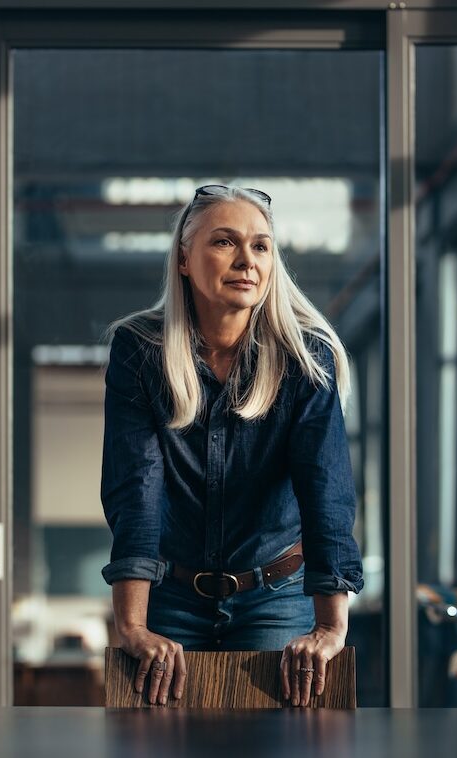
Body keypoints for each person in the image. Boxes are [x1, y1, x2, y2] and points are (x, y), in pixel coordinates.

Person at [100, 184, 364, 708]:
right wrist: (131, 624)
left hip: (275, 598)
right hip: (172, 597)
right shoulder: (140, 351)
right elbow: (138, 488)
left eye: (261, 246)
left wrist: (331, 627)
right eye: (225, 242)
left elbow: (325, 490)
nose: (247, 260)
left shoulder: (306, 360)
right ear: (183, 258)